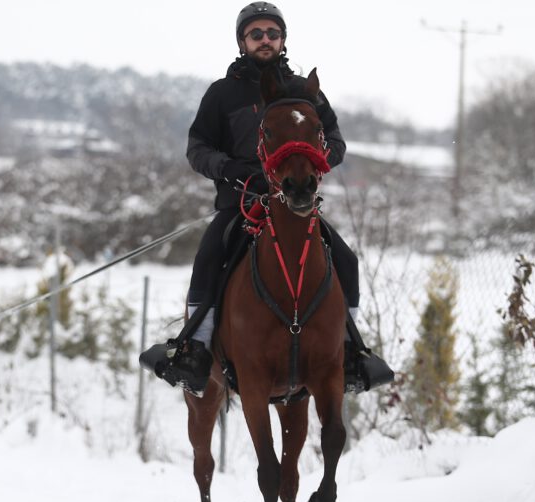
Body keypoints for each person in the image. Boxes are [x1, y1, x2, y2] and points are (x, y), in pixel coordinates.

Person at [140, 1, 392, 396]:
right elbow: (197, 148)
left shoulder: (305, 91)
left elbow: (335, 142)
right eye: (256, 33)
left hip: (295, 205)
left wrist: (309, 168)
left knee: (346, 259)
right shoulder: (222, 93)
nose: (265, 39)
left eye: (272, 33)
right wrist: (231, 169)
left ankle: (350, 352)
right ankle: (194, 351)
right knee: (207, 258)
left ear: (283, 39)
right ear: (242, 41)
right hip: (239, 204)